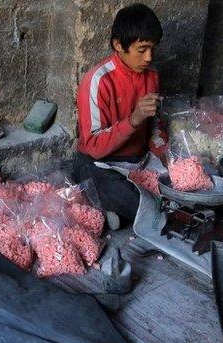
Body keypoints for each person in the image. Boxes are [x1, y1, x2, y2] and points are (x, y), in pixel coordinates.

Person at [73, 3, 168, 229]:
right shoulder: (98, 80)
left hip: (139, 161)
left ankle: (112, 209)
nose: (148, 57)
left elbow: (155, 126)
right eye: (142, 49)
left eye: (153, 49)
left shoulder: (152, 76)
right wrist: (134, 120)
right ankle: (120, 206)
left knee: (182, 185)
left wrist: (165, 153)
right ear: (118, 45)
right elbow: (94, 146)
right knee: (134, 200)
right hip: (100, 163)